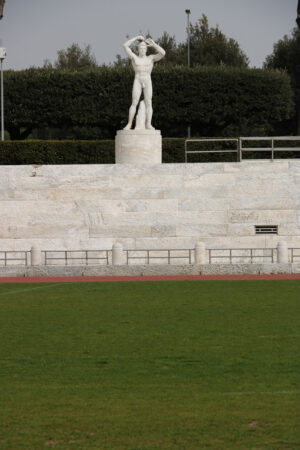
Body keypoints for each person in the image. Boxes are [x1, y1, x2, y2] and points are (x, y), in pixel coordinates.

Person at [123, 35, 165, 130]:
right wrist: (136, 38)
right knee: (134, 102)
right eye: (140, 48)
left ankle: (148, 124)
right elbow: (125, 46)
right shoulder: (134, 57)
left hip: (147, 79)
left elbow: (163, 53)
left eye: (144, 48)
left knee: (148, 102)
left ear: (146, 49)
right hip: (138, 79)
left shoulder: (151, 58)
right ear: (138, 49)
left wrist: (154, 45)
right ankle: (129, 124)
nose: (142, 50)